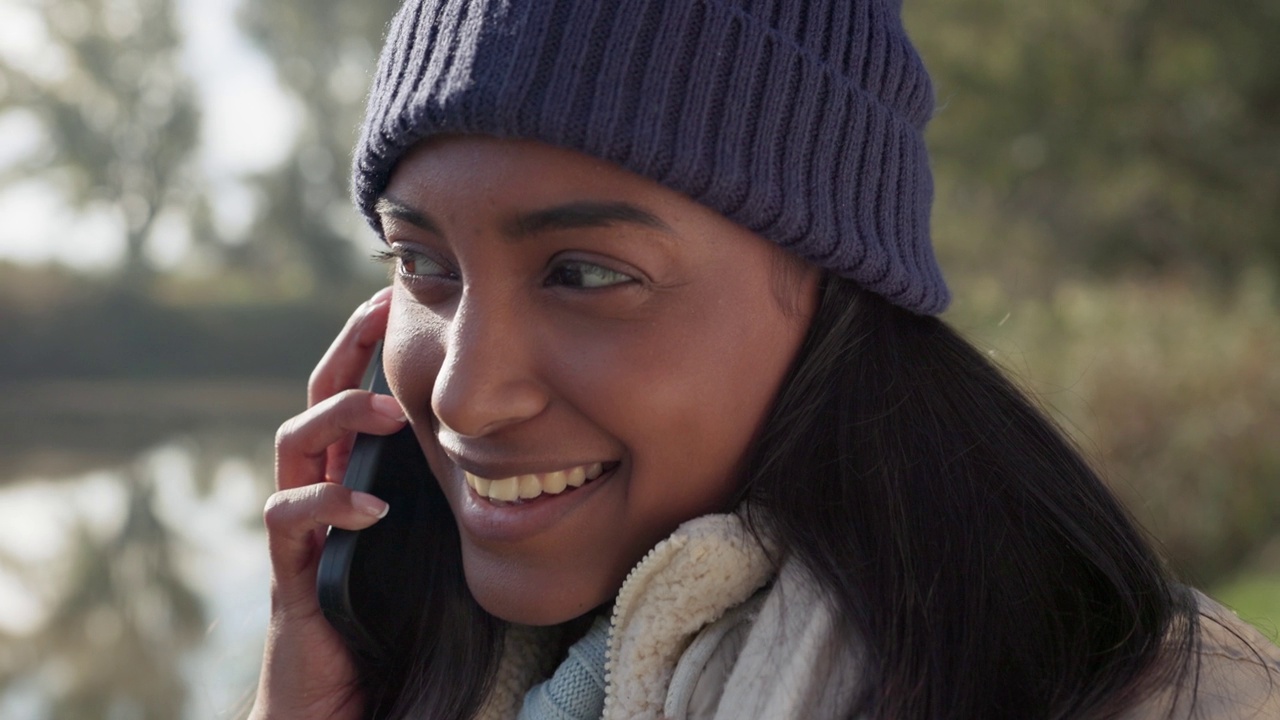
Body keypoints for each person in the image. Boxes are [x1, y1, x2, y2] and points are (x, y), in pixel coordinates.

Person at [250, 1, 1280, 718]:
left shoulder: (1160, 700)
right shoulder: (415, 678)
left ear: (836, 294)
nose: (469, 392)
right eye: (421, 264)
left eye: (587, 274)